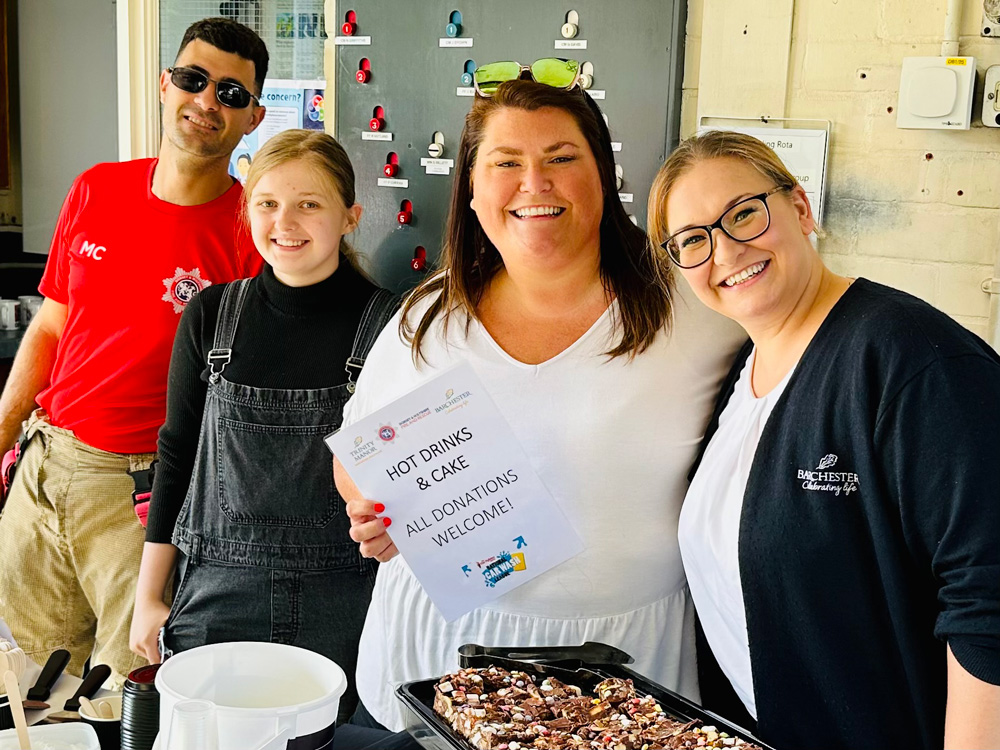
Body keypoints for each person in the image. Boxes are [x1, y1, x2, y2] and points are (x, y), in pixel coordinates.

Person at [334, 70, 744, 731]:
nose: (535, 183)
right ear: (471, 189)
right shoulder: (429, 317)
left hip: (622, 669)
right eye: (506, 162)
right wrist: (370, 509)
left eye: (561, 159)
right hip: (438, 654)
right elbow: (359, 448)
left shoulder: (692, 309)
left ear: (603, 181)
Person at [647, 130, 1000, 749]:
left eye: (743, 214)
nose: (725, 251)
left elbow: (988, 594)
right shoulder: (740, 375)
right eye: (693, 241)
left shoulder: (909, 357)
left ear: (800, 208)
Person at [0, 17, 268, 686]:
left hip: (142, 493)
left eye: (231, 94)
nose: (207, 102)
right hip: (44, 464)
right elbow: (51, 328)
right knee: (36, 676)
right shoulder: (96, 188)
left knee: (128, 692)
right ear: (164, 84)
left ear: (253, 117)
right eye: (194, 79)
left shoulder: (249, 234)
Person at [128, 129, 398, 725]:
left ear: (350, 216)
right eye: (268, 203)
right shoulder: (211, 315)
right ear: (247, 212)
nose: (286, 222)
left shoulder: (393, 326)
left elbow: (419, 472)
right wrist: (150, 595)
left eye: (310, 203)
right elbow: (174, 454)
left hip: (349, 596)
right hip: (218, 595)